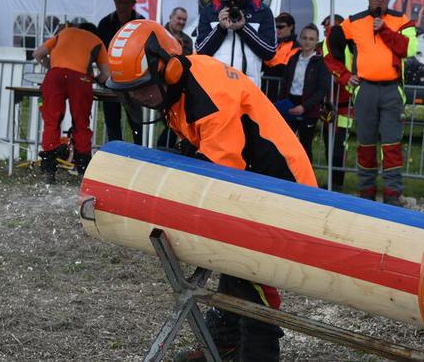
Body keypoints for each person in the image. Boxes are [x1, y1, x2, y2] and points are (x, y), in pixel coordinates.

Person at [105, 19, 316, 362]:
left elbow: (220, 177)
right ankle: (223, 343)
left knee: (251, 268)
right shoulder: (182, 89)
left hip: (281, 184)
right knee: (228, 254)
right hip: (251, 177)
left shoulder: (209, 96)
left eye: (143, 88)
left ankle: (260, 352)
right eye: (131, 92)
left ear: (169, 69)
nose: (139, 98)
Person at [324, 0, 417, 206]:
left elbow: (409, 49)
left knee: (391, 144)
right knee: (365, 143)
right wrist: (345, 77)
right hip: (364, 89)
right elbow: (328, 47)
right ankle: (366, 192)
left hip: (391, 90)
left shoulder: (401, 20)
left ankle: (392, 194)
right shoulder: (354, 21)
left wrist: (384, 30)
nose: (379, 0)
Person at [33, 22, 109, 182]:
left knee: (51, 121)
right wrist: (93, 78)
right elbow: (106, 74)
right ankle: (82, 168)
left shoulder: (63, 33)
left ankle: (49, 169)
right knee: (81, 123)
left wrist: (51, 66)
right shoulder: (97, 41)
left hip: (55, 76)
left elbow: (38, 54)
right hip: (80, 80)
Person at [196, 0, 276, 88]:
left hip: (248, 89)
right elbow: (201, 50)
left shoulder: (261, 11)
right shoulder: (210, 11)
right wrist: (220, 28)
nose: (235, 2)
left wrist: (243, 28)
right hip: (216, 87)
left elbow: (269, 51)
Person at [96, 0, 143, 144]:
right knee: (112, 122)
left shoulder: (141, 24)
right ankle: (115, 155)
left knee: (137, 123)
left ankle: (139, 155)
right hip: (111, 81)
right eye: (119, 2)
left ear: (133, 3)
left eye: (126, 3)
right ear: (114, 1)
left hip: (134, 82)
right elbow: (98, 52)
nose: (122, 6)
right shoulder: (105, 24)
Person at [277, 24, 330, 163]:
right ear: (300, 39)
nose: (307, 41)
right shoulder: (293, 58)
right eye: (305, 38)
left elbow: (321, 90)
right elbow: (285, 83)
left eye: (311, 39)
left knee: (305, 145)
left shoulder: (320, 63)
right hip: (290, 104)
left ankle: (306, 181)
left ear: (317, 41)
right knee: (284, 144)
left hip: (309, 108)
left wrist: (304, 107)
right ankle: (285, 175)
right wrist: (281, 103)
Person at [320, 15, 352, 190]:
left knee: (340, 144)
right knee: (328, 142)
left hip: (345, 103)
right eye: (325, 28)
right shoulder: (323, 46)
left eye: (330, 27)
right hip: (328, 102)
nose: (327, 30)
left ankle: (337, 182)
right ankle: (331, 181)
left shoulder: (346, 46)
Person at [158, 7, 194, 149]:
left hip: (180, 86)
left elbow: (188, 61)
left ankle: (167, 149)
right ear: (170, 17)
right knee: (168, 122)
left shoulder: (187, 40)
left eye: (184, 20)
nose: (181, 22)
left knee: (174, 122)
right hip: (162, 84)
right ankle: (163, 148)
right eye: (178, 18)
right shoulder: (160, 34)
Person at [262, 12, 299, 101]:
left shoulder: (295, 46)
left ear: (291, 27)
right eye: (276, 27)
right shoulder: (273, 43)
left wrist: (268, 66)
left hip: (281, 89)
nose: (277, 30)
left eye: (281, 27)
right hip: (267, 86)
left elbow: (286, 68)